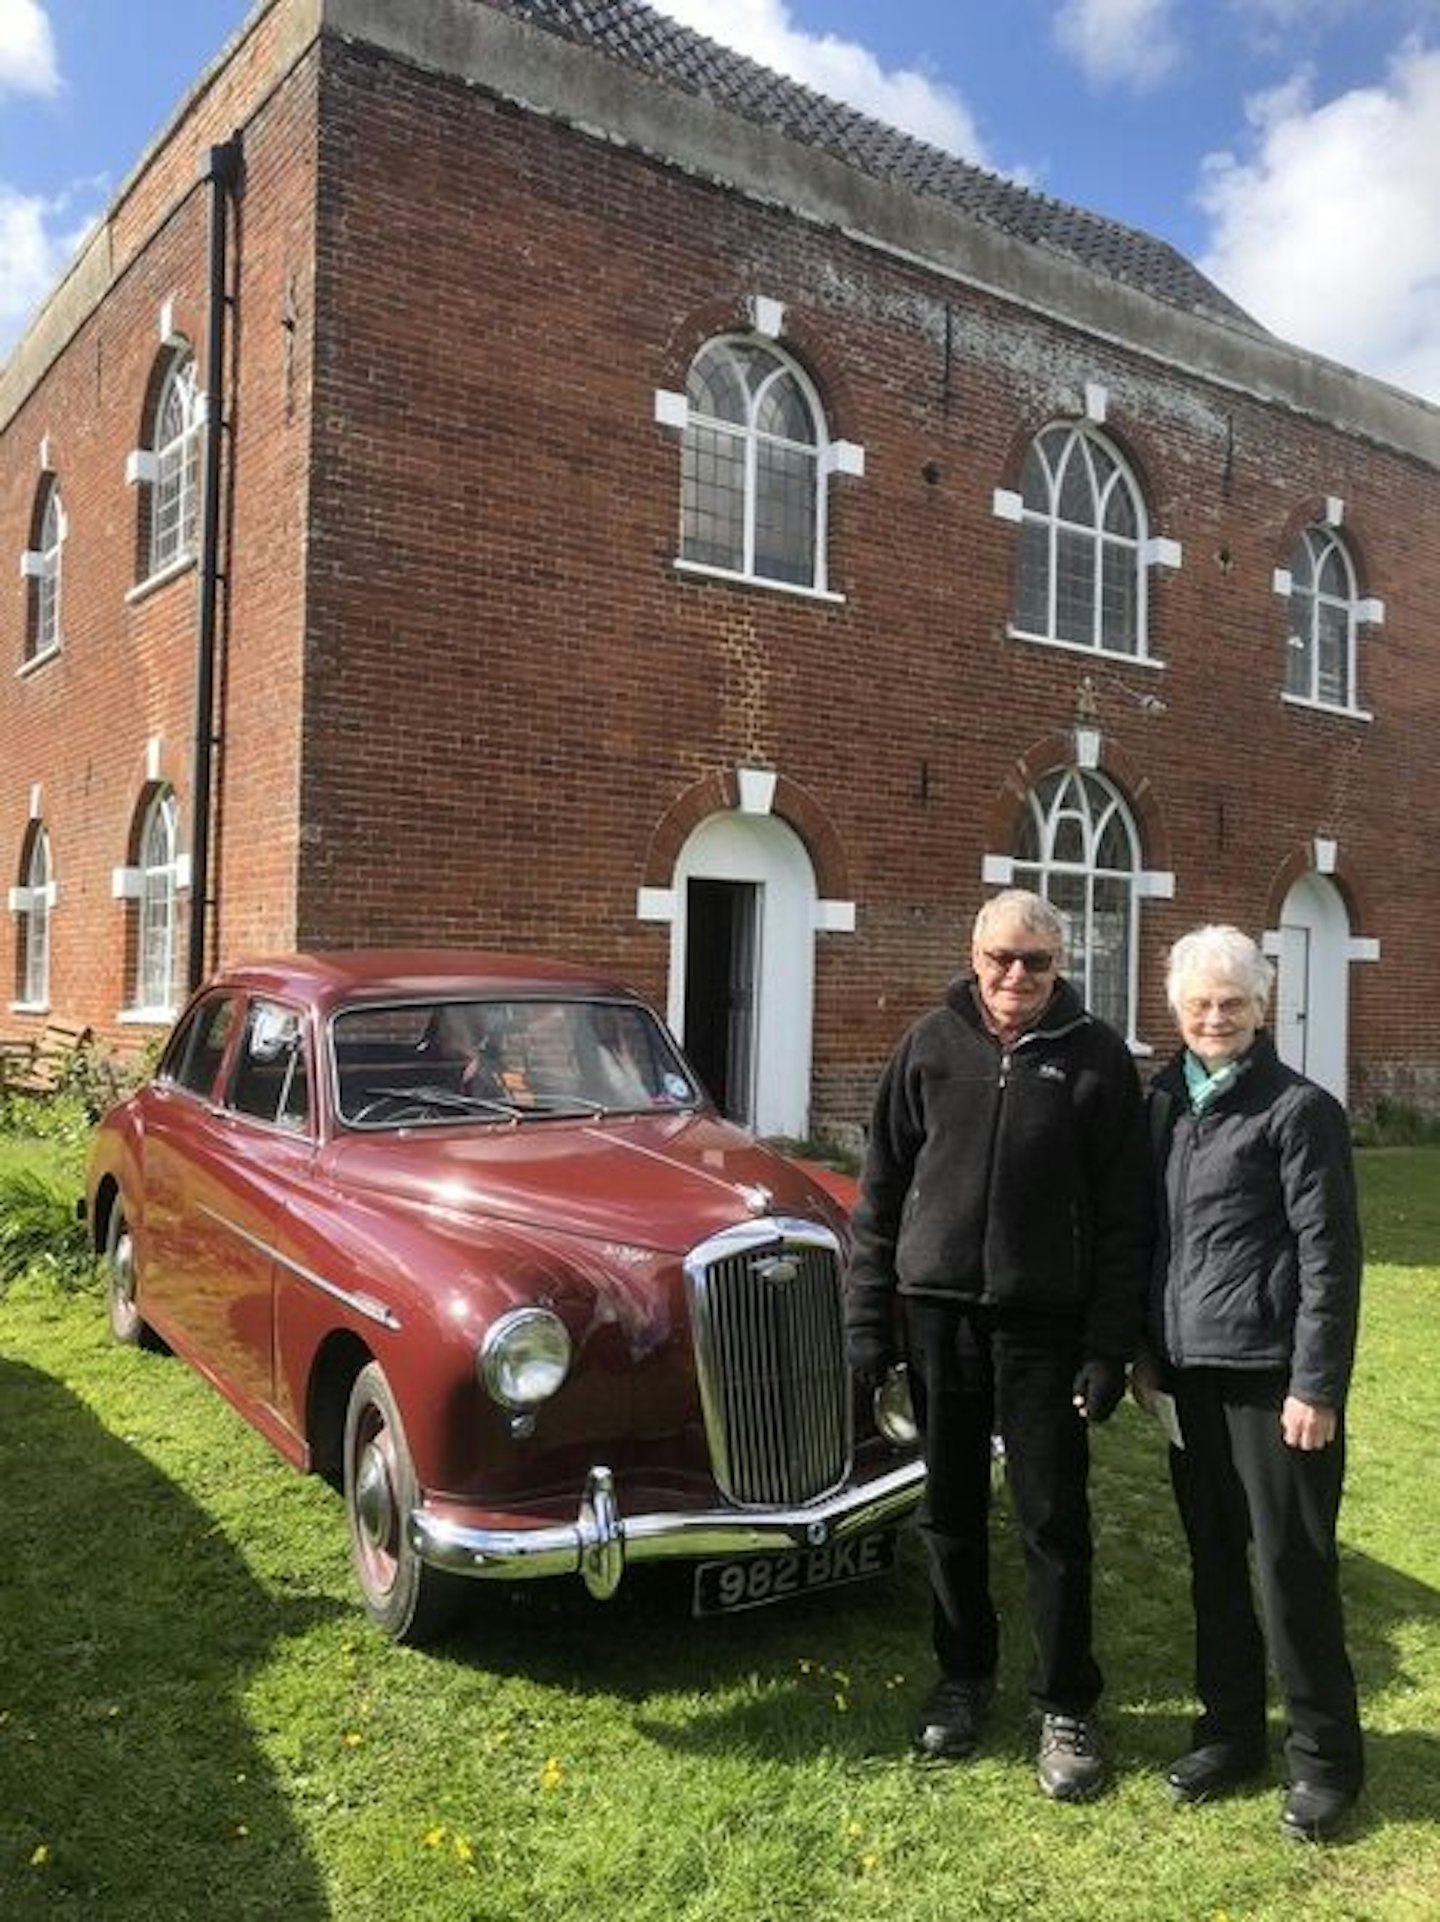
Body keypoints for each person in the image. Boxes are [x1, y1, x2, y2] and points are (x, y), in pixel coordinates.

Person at [846, 888, 1150, 1801]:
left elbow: (1128, 1218)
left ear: (1062, 967)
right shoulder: (927, 1047)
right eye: (1001, 959)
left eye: (1038, 962)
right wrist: (869, 1324)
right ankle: (963, 1676)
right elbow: (880, 1191)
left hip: (1045, 1326)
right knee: (948, 1511)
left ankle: (1066, 1701)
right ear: (973, 955)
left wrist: (1107, 1344)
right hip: (937, 1315)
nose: (1017, 976)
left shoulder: (1096, 1059)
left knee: (1053, 1518)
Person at [1139, 925, 1364, 1843]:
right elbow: (1149, 1236)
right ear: (1178, 1012)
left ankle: (1325, 1762)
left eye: (1233, 1003)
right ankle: (1229, 1735)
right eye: (1200, 1004)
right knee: (1214, 1565)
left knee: (1291, 1570)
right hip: (1187, 1376)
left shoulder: (1299, 1111)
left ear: (1262, 1009)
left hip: (1275, 1384)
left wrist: (1316, 1385)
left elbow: (1330, 1259)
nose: (1216, 1017)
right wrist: (1143, 1353)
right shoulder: (1163, 1101)